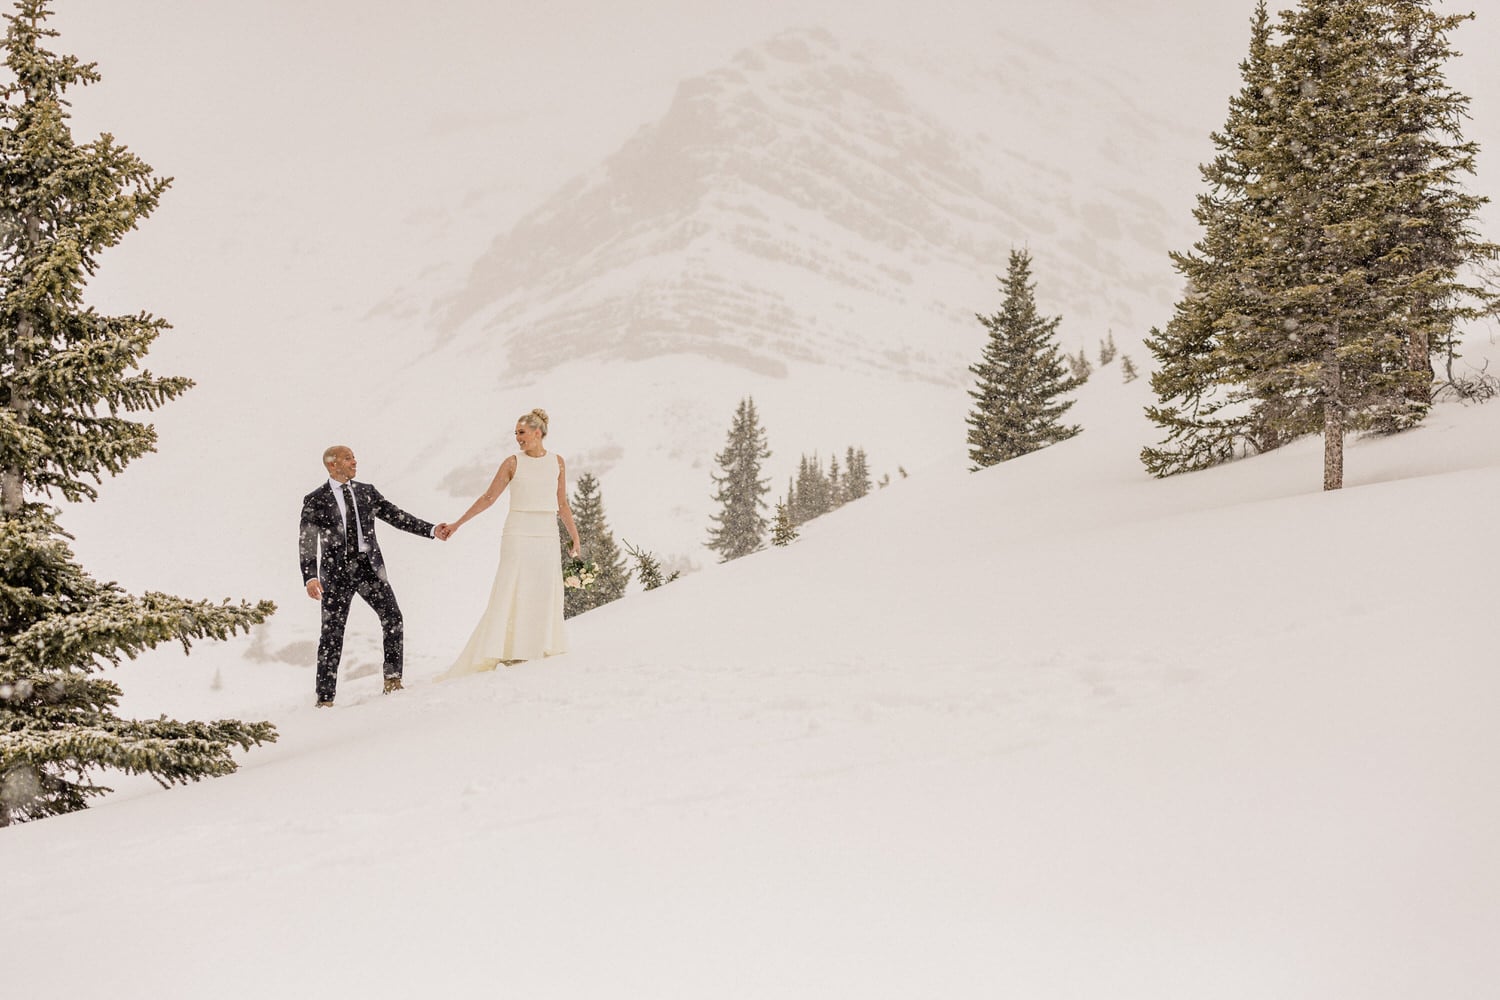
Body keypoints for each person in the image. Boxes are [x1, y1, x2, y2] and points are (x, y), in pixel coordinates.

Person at [299, 445, 448, 707]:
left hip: (369, 568)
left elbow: (396, 516)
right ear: (332, 465)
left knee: (393, 617)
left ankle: (393, 680)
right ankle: (325, 698)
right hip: (335, 575)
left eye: (354, 457)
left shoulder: (366, 492)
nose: (355, 461)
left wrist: (432, 529)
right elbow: (307, 543)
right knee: (332, 633)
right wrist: (310, 577)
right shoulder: (316, 499)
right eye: (348, 458)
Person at [440, 408, 581, 675]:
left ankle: (537, 645)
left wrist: (575, 537)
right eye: (516, 433)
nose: (517, 438)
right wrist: (458, 524)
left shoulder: (558, 462)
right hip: (518, 530)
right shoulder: (512, 462)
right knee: (513, 586)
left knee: (543, 588)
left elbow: (562, 503)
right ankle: (508, 648)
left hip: (547, 532)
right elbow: (488, 498)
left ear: (538, 433)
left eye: (522, 432)